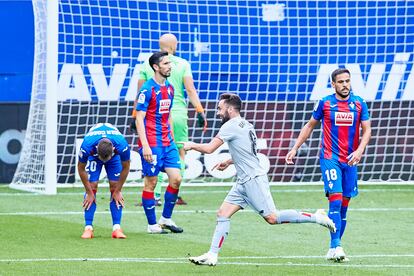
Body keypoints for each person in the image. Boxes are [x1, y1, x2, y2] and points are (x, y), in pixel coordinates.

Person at [180, 93, 336, 266]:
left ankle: (316, 217)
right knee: (223, 213)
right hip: (243, 180)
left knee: (272, 218)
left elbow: (209, 149)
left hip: (253, 179)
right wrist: (230, 160)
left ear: (230, 109)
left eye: (220, 108)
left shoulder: (229, 126)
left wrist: (190, 145)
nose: (217, 112)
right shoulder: (246, 124)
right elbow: (250, 152)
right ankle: (212, 254)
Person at [285, 68, 371, 262]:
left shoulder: (359, 103)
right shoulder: (325, 103)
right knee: (336, 198)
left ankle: (333, 247)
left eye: (347, 81)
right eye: (340, 82)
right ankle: (337, 246)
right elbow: (309, 125)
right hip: (329, 157)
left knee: (345, 206)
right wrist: (295, 148)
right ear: (333, 84)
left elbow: (367, 130)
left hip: (350, 160)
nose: (345, 85)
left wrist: (359, 151)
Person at [131, 33, 207, 206]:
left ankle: (155, 194)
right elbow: (190, 90)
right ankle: (175, 192)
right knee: (180, 152)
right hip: (177, 112)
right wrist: (200, 110)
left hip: (154, 114)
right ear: (174, 45)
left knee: (155, 154)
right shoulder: (182, 63)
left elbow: (140, 91)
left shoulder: (147, 63)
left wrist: (135, 114)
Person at [135, 51, 184, 234]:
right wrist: (145, 145)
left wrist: (171, 138)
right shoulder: (147, 89)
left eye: (169, 63)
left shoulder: (170, 88)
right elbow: (139, 119)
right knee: (152, 182)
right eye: (165, 63)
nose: (169, 66)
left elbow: (168, 114)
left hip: (167, 142)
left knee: (176, 179)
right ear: (156, 67)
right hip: (152, 143)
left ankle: (166, 218)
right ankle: (152, 225)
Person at [77, 123, 131, 239]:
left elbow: (126, 167)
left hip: (114, 157)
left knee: (114, 186)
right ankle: (88, 228)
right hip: (94, 158)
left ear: (113, 148)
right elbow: (81, 168)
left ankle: (117, 228)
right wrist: (89, 193)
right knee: (92, 185)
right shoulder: (87, 145)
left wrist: (118, 190)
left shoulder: (121, 144)